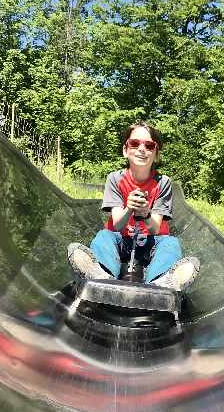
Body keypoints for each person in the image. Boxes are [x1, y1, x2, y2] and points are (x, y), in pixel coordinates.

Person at [67, 122, 200, 291]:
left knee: (170, 243)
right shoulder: (114, 179)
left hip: (151, 241)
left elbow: (155, 228)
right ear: (125, 150)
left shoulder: (163, 183)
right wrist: (129, 208)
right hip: (121, 239)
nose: (142, 149)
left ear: (156, 154)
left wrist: (145, 213)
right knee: (104, 236)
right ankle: (101, 274)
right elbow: (117, 224)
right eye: (135, 144)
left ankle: (162, 281)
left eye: (149, 145)